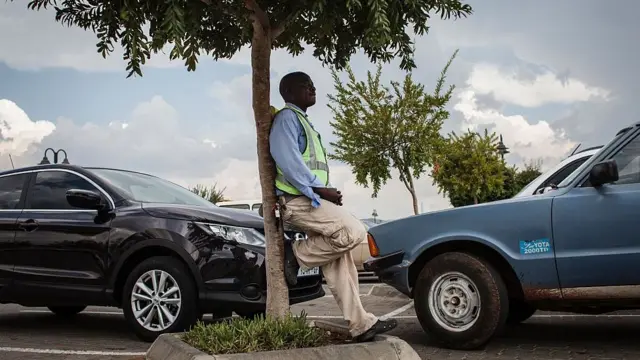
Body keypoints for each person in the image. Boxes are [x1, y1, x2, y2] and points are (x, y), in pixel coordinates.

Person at [269, 71, 397, 342]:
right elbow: (288, 161)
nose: (313, 88)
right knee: (354, 231)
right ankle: (298, 255)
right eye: (306, 85)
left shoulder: (303, 122)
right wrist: (318, 189)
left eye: (313, 84)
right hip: (297, 201)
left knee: (342, 264)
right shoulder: (286, 119)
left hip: (311, 200)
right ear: (289, 93)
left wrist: (323, 193)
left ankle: (360, 324)